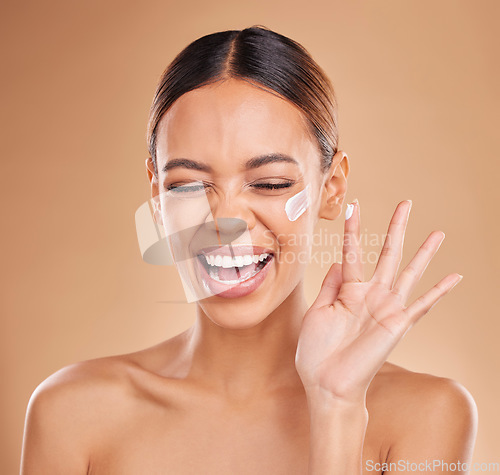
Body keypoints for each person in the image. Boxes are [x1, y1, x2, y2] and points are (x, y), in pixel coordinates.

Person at [20, 26, 477, 474]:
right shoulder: (72, 414)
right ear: (157, 199)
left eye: (270, 183)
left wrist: (336, 407)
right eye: (188, 186)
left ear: (332, 188)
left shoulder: (426, 416)